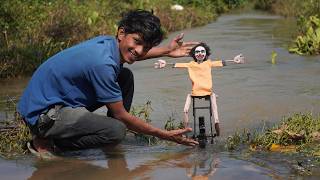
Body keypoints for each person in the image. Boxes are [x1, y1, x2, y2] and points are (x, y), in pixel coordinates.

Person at [17, 9, 199, 155]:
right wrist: (164, 135)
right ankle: (48, 142)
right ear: (122, 33)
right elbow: (121, 115)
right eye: (137, 41)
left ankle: (103, 134)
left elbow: (131, 54)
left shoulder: (108, 44)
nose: (139, 50)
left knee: (125, 77)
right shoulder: (102, 64)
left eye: (146, 47)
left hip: (49, 103)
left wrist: (166, 51)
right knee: (117, 130)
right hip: (43, 116)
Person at [154, 42, 244, 136]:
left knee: (207, 108)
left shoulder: (204, 63)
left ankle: (214, 128)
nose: (200, 54)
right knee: (189, 109)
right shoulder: (194, 64)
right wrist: (166, 64)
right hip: (197, 93)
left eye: (202, 51)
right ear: (194, 54)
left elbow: (220, 63)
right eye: (197, 52)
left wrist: (233, 61)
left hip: (203, 92)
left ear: (205, 53)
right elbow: (178, 64)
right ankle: (189, 130)